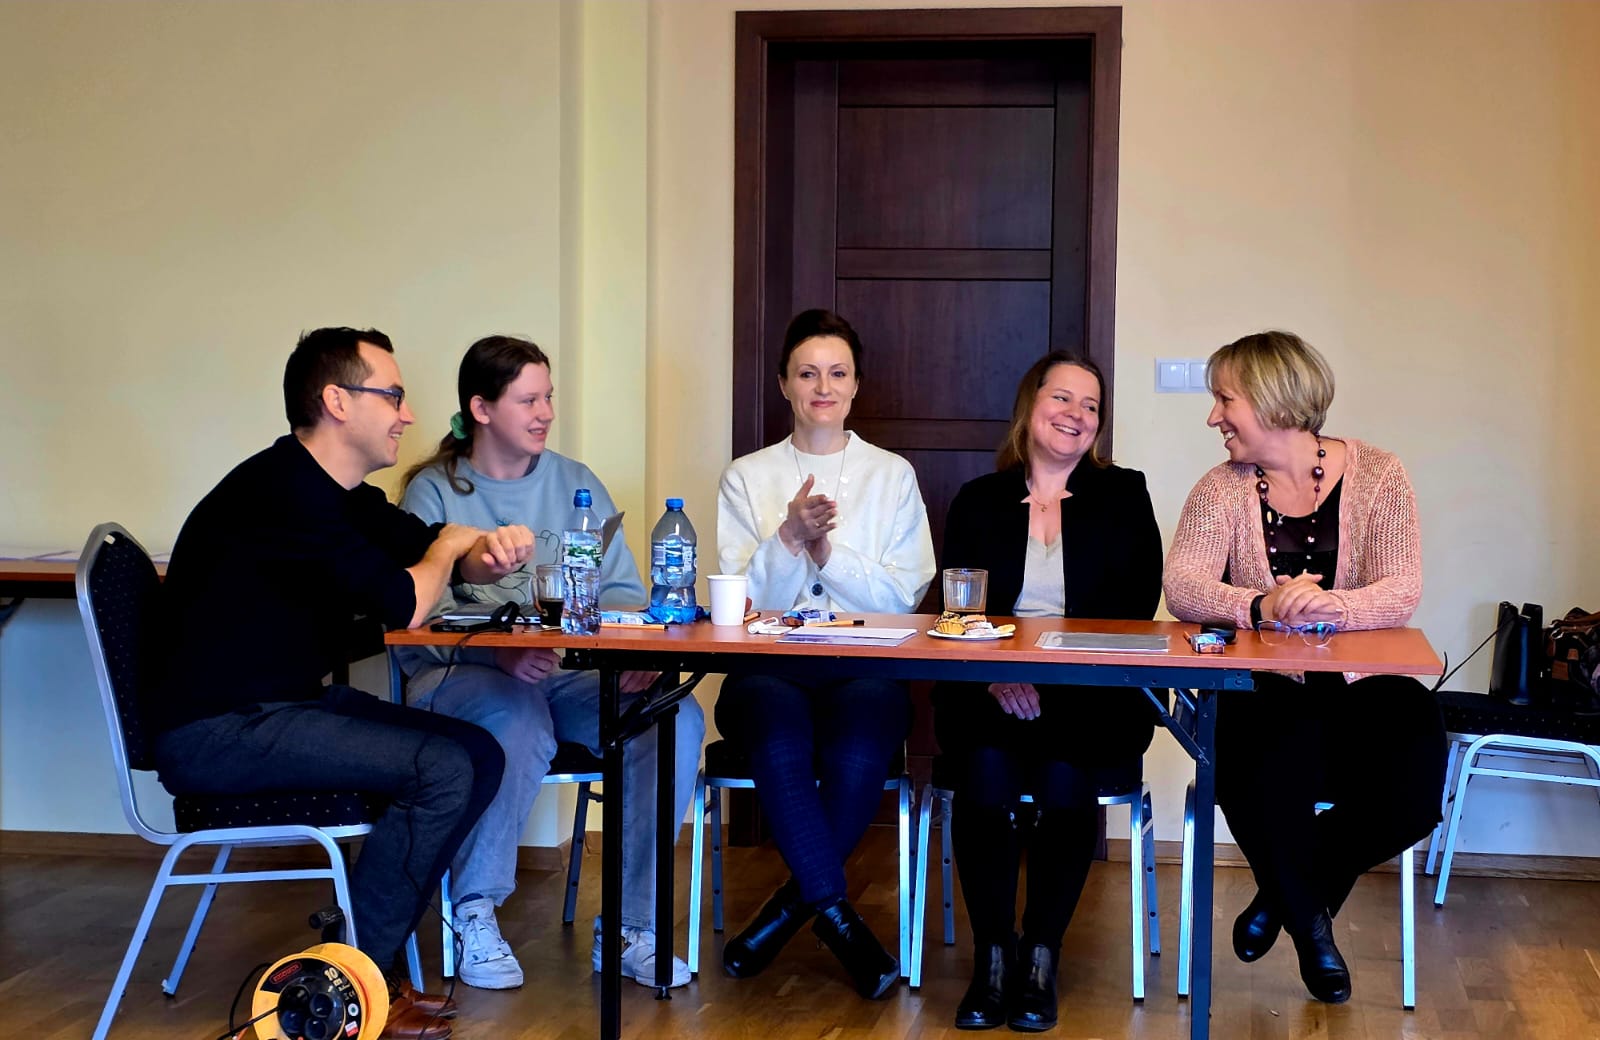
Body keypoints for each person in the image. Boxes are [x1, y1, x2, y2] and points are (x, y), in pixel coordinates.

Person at [153, 327, 533, 1040]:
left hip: (281, 706)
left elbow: (425, 549)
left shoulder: (340, 494)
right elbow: (407, 601)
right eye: (393, 396)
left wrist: (480, 553)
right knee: (444, 766)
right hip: (220, 729)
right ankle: (355, 984)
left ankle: (355, 969)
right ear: (336, 401)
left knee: (479, 753)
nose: (408, 414)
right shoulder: (283, 493)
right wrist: (451, 546)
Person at [396, 335, 706, 991]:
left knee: (672, 720)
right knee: (516, 717)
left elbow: (621, 595)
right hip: (455, 679)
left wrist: (636, 656)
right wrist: (502, 652)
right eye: (528, 400)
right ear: (481, 408)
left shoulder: (576, 483)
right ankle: (473, 912)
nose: (546, 413)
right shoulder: (432, 493)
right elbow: (411, 620)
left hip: (565, 677)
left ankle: (630, 928)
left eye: (548, 398)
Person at [1164, 330, 1446, 1005]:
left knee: (1414, 766)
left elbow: (1402, 587)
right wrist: (1261, 605)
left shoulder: (1380, 475)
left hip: (1357, 687)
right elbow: (1183, 587)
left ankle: (1283, 898)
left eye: (1225, 400)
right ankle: (1313, 932)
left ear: (1273, 402)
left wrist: (1331, 606)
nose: (1213, 417)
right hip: (1260, 690)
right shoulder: (1220, 489)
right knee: (1254, 747)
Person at [931, 352, 1162, 1032]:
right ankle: (992, 957)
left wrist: (1055, 677)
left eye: (1091, 406)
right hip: (991, 686)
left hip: (1090, 693)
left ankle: (1040, 957)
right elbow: (956, 609)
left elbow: (1133, 609)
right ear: (1030, 405)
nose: (1077, 415)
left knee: (1065, 774)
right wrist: (998, 672)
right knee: (985, 771)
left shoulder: (1124, 494)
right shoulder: (978, 498)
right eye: (1063, 398)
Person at [714, 308, 936, 999]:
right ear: (783, 383)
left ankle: (790, 908)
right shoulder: (746, 476)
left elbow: (904, 595)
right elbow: (736, 600)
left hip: (865, 663)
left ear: (856, 384)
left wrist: (827, 552)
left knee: (859, 748)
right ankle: (834, 913)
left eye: (837, 373)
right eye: (807, 373)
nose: (823, 387)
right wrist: (786, 537)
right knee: (779, 742)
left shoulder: (892, 475)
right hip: (768, 667)